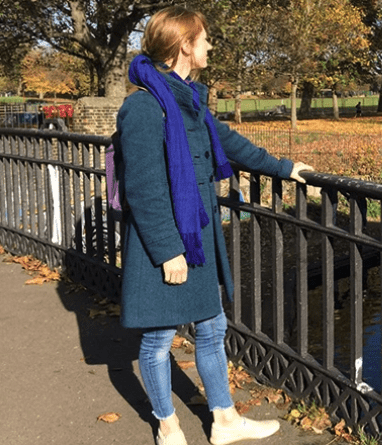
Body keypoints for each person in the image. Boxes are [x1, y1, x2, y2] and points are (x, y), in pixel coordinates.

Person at [114, 6, 313, 445]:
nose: (210, 45)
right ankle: (167, 424)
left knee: (211, 326)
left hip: (196, 234)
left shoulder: (188, 100)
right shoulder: (146, 108)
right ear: (184, 44)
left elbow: (231, 143)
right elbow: (143, 188)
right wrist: (168, 251)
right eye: (204, 38)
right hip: (165, 240)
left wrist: (283, 167)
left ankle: (223, 419)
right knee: (160, 336)